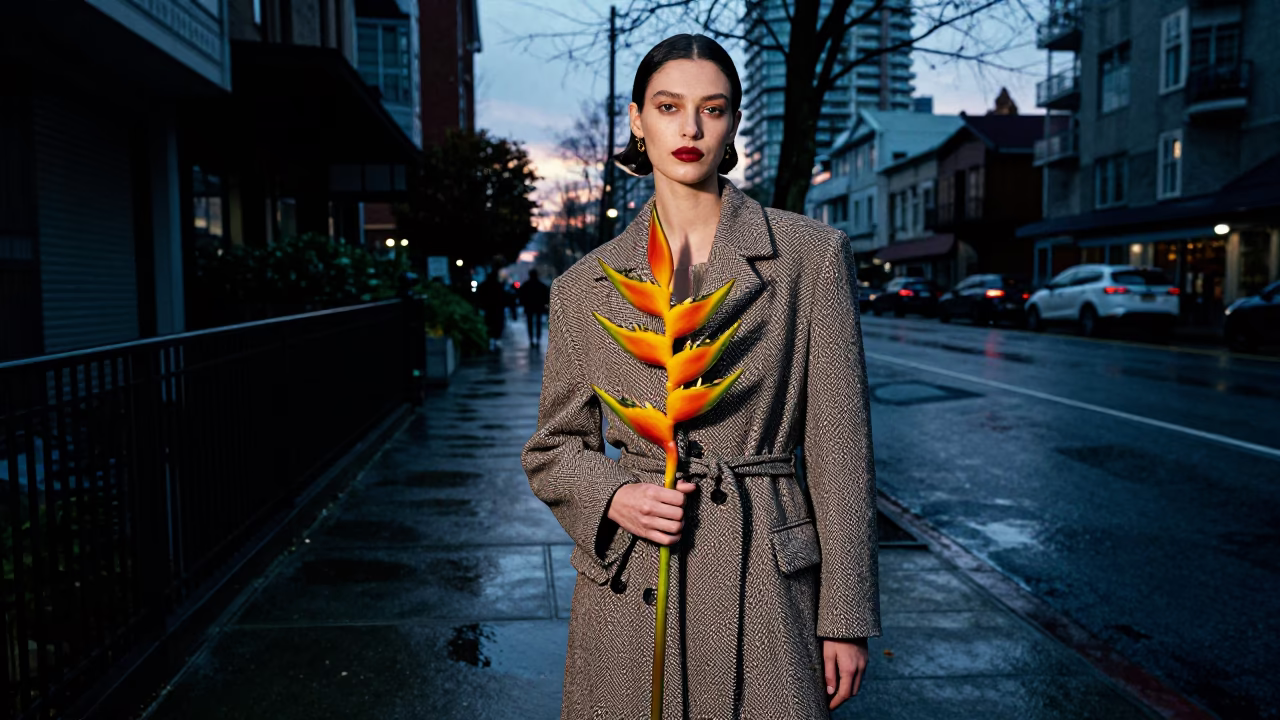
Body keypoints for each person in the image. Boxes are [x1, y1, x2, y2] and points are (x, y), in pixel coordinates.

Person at [521, 34, 879, 720]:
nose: (690, 129)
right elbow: (554, 448)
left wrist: (845, 615)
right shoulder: (582, 286)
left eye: (712, 109)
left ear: (735, 123)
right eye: (668, 106)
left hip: (766, 585)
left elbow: (840, 452)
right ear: (636, 119)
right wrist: (615, 494)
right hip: (632, 586)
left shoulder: (810, 257)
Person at [517, 269, 551, 346]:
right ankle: (538, 339)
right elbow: (546, 296)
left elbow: (521, 295)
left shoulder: (526, 285)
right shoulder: (541, 285)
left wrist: (523, 303)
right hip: (538, 306)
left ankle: (531, 339)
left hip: (529, 306)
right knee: (538, 323)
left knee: (530, 323)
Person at [475, 271, 508, 351]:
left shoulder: (484, 286)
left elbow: (479, 297)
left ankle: (491, 339)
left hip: (489, 309)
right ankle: (494, 339)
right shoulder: (498, 286)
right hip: (496, 309)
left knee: (489, 324)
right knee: (496, 325)